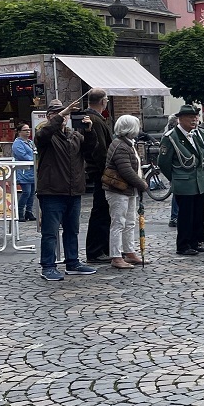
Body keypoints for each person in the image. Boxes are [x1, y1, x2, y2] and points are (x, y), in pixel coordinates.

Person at [35, 99, 98, 280]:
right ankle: (48, 265)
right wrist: (60, 116)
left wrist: (89, 130)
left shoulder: (74, 135)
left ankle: (73, 262)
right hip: (52, 191)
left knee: (72, 230)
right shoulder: (44, 134)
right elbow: (44, 134)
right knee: (50, 232)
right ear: (49, 117)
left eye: (64, 114)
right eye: (56, 114)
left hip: (73, 190)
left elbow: (90, 150)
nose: (62, 117)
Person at [157, 104, 204, 256]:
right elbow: (163, 162)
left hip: (199, 181)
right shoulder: (171, 137)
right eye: (190, 118)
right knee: (185, 216)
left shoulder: (196, 134)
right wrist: (176, 178)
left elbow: (203, 155)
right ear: (180, 119)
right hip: (184, 183)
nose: (194, 121)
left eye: (195, 118)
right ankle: (183, 245)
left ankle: (194, 241)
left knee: (197, 214)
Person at [103, 114, 149, 269]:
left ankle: (129, 252)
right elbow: (126, 171)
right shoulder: (120, 145)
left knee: (129, 222)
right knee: (118, 223)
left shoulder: (127, 143)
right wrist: (142, 184)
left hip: (127, 189)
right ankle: (116, 256)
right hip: (118, 189)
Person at [82, 89, 113, 264]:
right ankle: (96, 251)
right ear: (103, 101)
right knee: (101, 213)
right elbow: (100, 150)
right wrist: (107, 171)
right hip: (100, 172)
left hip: (98, 171)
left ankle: (101, 249)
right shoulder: (95, 120)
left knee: (102, 212)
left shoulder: (93, 118)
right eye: (106, 100)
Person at [11, 122, 36, 222]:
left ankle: (29, 211)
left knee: (32, 193)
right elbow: (22, 155)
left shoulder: (30, 142)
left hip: (32, 171)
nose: (28, 132)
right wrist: (33, 159)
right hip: (23, 171)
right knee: (26, 192)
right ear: (19, 132)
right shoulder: (17, 143)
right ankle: (20, 211)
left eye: (28, 130)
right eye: (25, 130)